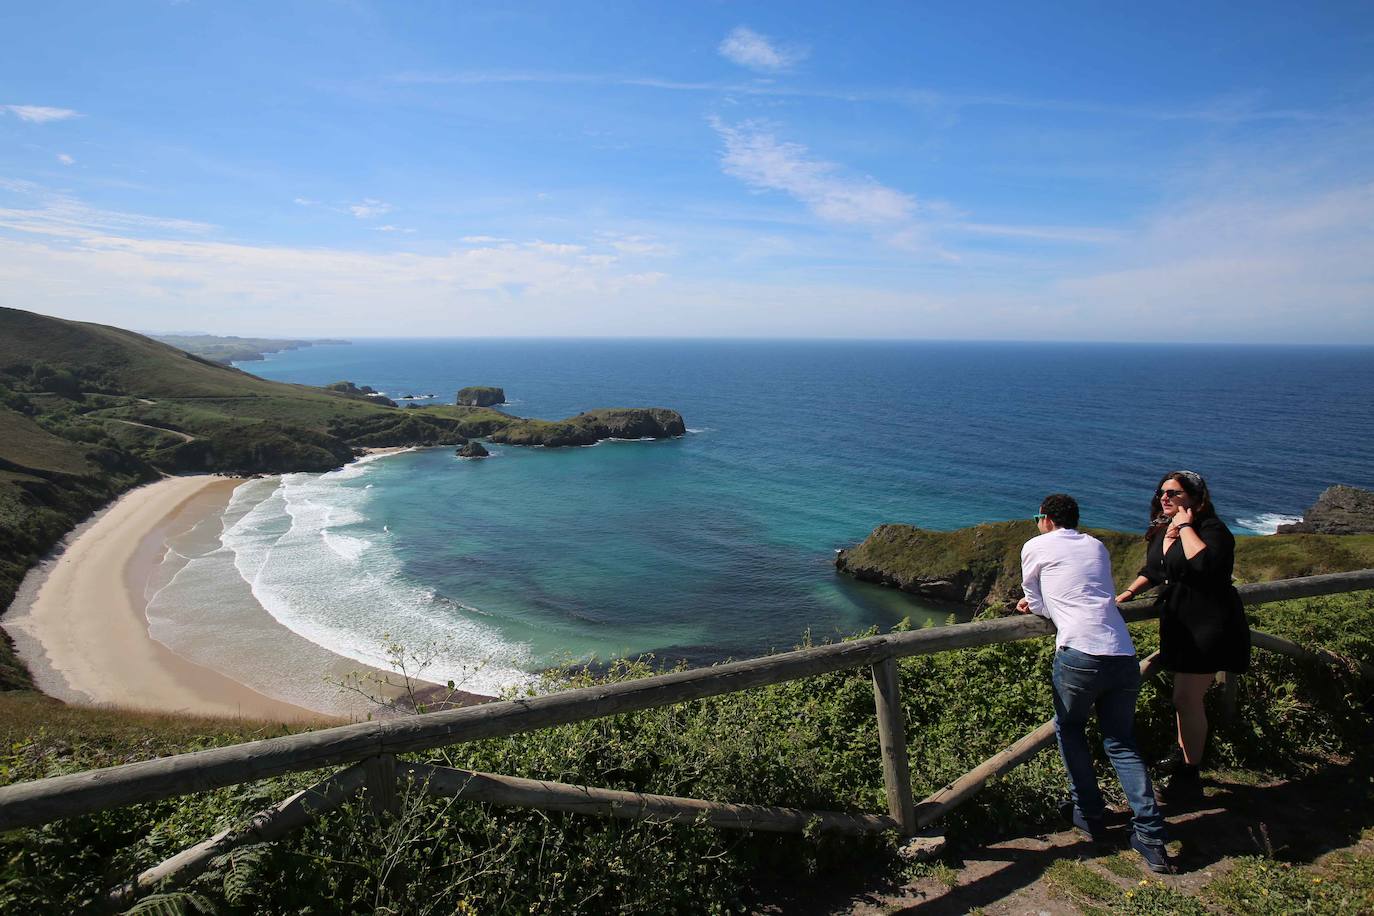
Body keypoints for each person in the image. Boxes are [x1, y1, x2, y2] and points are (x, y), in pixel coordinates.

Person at [1018, 493, 1172, 873]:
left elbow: (1036, 600)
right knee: (1121, 742)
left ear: (1048, 519)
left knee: (1070, 730)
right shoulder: (1096, 545)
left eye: (1037, 516)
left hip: (1079, 653)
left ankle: (1089, 812)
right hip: (1121, 652)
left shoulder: (1036, 545)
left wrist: (1032, 606)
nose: (1036, 522)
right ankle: (1151, 834)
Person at [1116, 470, 1249, 802]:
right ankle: (1184, 758)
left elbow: (1204, 564)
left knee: (1187, 699)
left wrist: (1186, 526)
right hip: (1179, 621)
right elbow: (1155, 570)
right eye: (1162, 492)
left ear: (1196, 498)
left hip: (1208, 622)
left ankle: (1190, 773)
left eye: (1173, 493)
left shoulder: (1212, 530)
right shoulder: (1166, 529)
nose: (1164, 498)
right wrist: (1127, 594)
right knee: (1183, 698)